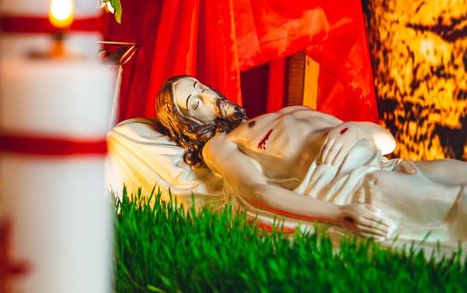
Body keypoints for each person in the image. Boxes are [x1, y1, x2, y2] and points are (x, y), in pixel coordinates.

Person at [156, 75, 467, 241]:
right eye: (194, 104)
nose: (208, 96)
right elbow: (256, 191)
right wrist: (338, 213)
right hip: (358, 185)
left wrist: (358, 129)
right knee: (456, 205)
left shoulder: (287, 111)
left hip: (388, 164)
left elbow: (388, 141)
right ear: (190, 125)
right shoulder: (220, 145)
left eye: (199, 87)